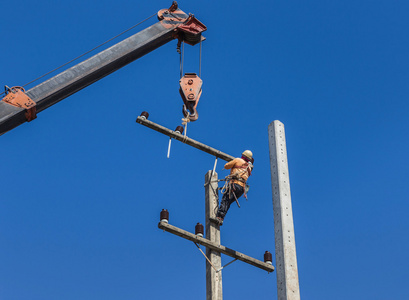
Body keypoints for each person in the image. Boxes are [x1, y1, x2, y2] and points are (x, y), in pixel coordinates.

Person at [215, 150, 254, 225]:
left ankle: (219, 217)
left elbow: (226, 166)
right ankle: (221, 218)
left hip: (234, 184)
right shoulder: (249, 168)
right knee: (228, 202)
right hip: (241, 189)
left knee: (226, 200)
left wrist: (233, 163)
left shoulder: (237, 160)